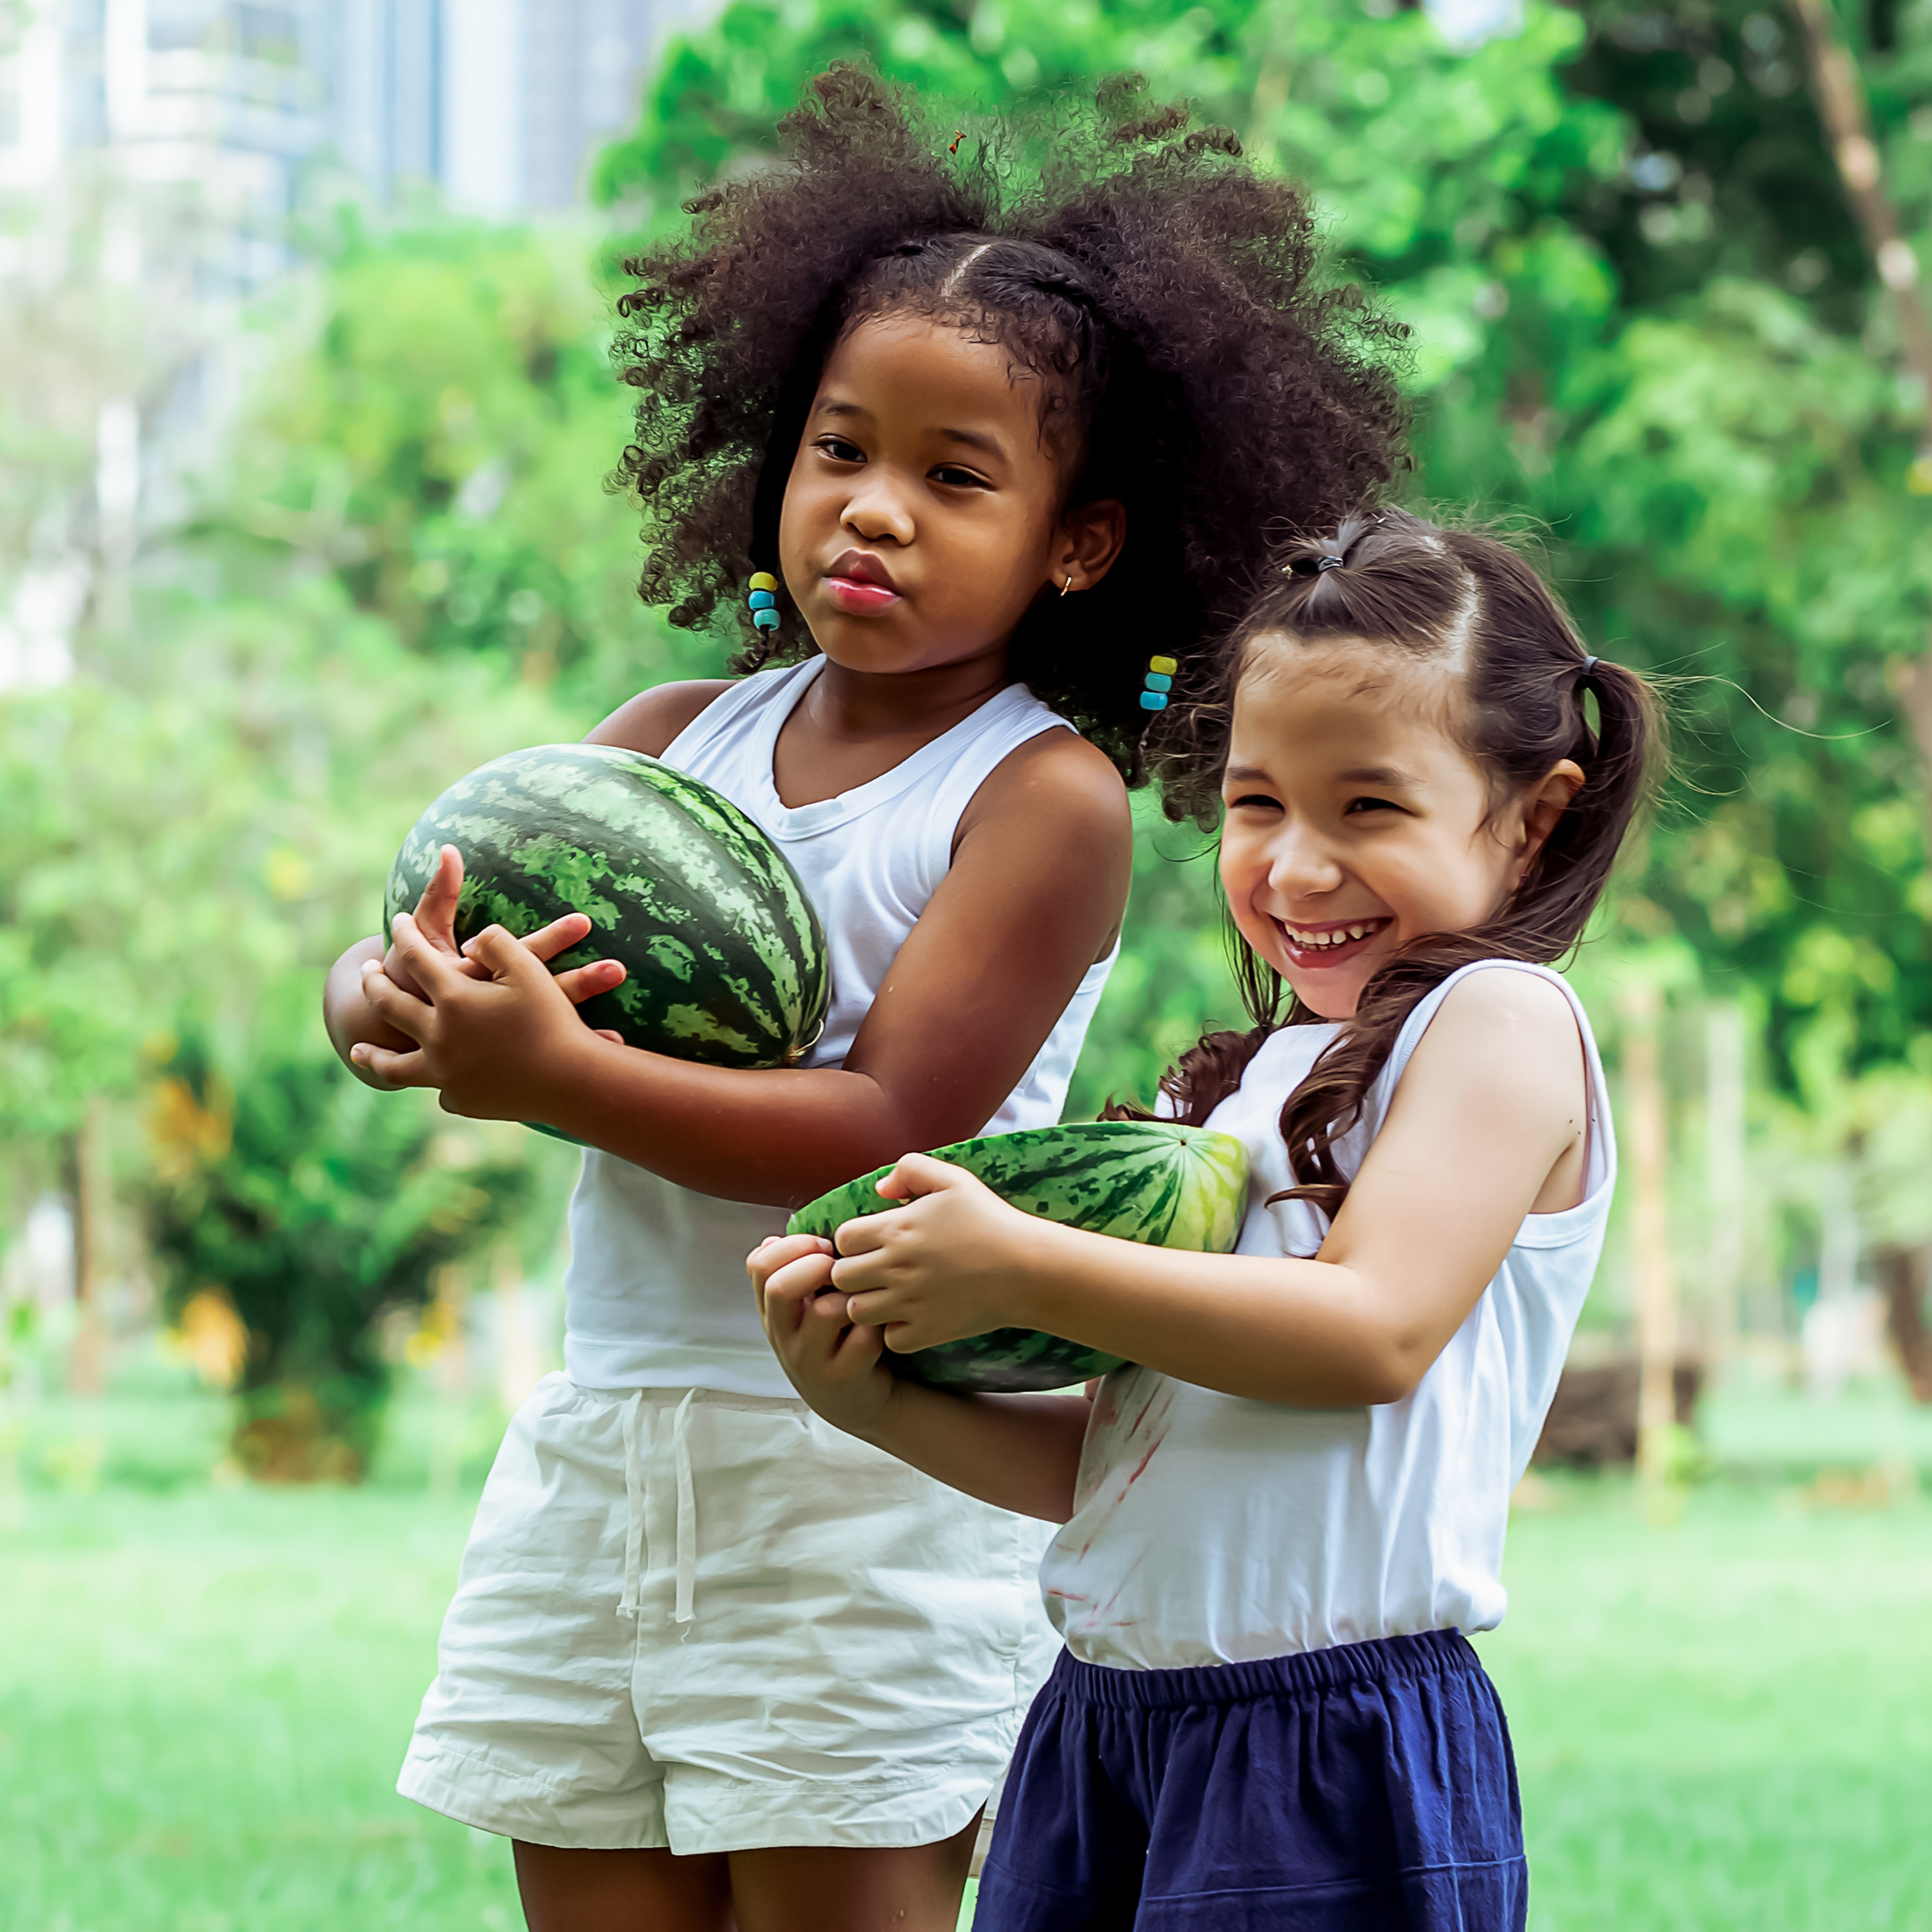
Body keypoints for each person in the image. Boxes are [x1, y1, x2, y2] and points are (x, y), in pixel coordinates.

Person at [319, 68, 1404, 1932]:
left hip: (859, 1468)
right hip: (610, 1434)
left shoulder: (1034, 798)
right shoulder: (671, 740)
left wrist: (552, 1080)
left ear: (1081, 543)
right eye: (840, 450)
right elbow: (430, 932)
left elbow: (891, 1123)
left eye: (953, 474)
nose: (872, 512)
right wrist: (391, 998)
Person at [753, 507, 1664, 1930]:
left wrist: (1030, 1266)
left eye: (1369, 808)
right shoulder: (1252, 1084)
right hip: (1109, 1722)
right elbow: (1133, 1461)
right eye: (1258, 805)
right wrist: (873, 1402)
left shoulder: (1500, 1023)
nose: (1297, 868)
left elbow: (1370, 1332)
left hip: (1325, 1744)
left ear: (1532, 816)